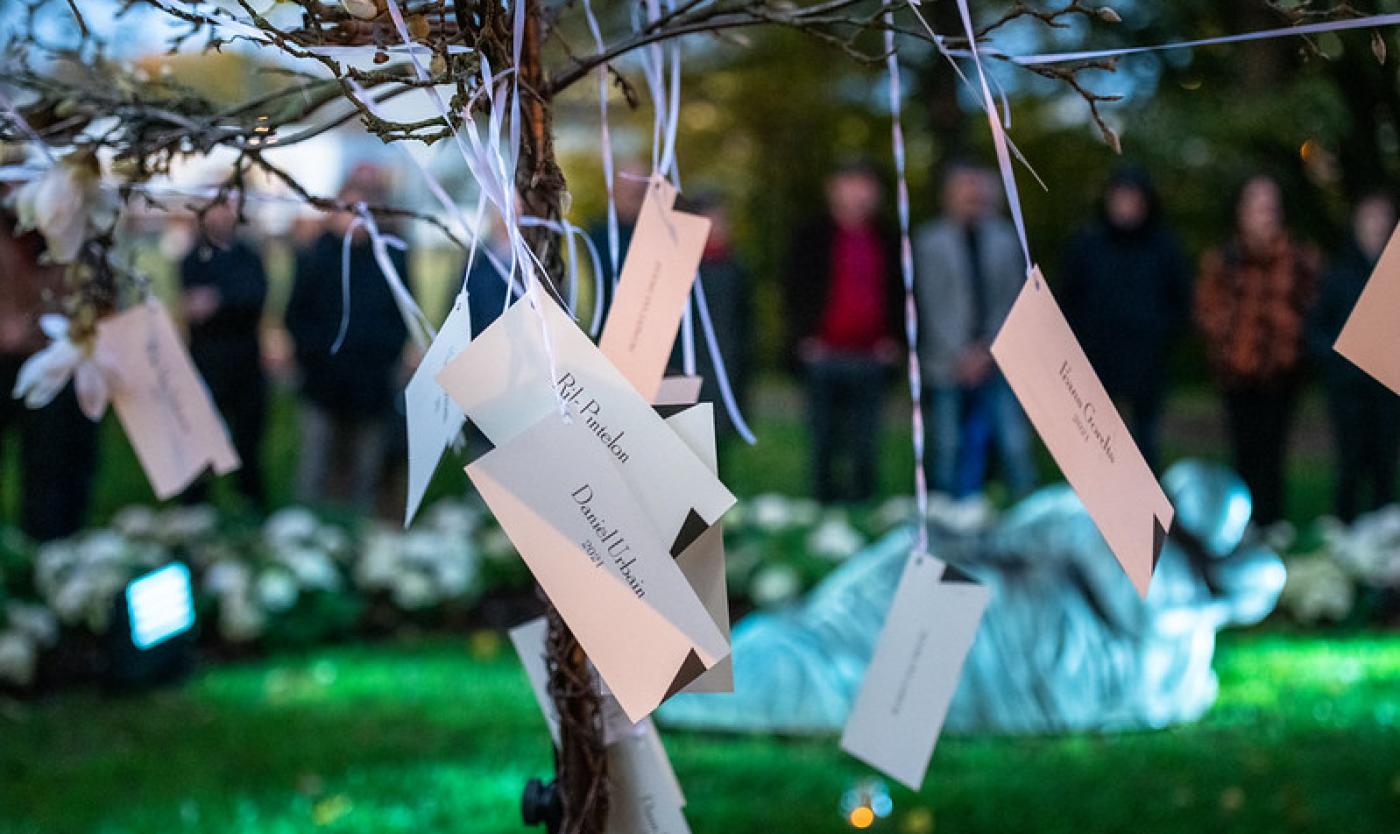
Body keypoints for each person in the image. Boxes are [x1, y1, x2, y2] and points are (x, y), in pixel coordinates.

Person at [285, 165, 411, 512]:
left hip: (371, 382)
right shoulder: (316, 253)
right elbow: (296, 314)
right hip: (322, 381)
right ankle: (308, 536)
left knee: (365, 469)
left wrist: (383, 356)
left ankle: (359, 537)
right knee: (316, 465)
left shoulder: (391, 255)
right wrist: (316, 358)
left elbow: (400, 317)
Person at [1196, 175, 1319, 527]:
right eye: (1256, 203)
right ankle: (1243, 522)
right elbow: (1206, 309)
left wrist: (1293, 344)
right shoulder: (1224, 259)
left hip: (1283, 371)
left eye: (1270, 204)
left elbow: (1313, 306)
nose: (1264, 212)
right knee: (1243, 450)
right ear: (1240, 210)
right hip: (1235, 372)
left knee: (1275, 449)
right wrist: (1227, 346)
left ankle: (1273, 519)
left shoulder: (1298, 257)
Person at [914, 163, 1035, 500]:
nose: (973, 197)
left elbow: (1013, 299)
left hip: (998, 357)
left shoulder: (1007, 240)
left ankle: (1023, 502)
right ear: (948, 196)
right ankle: (945, 507)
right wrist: (960, 353)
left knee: (1012, 438)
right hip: (946, 360)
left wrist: (988, 351)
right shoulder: (929, 242)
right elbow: (929, 301)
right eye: (964, 190)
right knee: (947, 440)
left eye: (979, 191)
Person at [1061, 168, 1191, 472]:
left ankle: (1145, 509)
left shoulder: (1164, 247)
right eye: (1119, 197)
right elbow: (1070, 297)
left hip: (1146, 361)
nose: (1125, 205)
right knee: (1095, 435)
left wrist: (1161, 335)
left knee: (1146, 438)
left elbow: (1180, 300)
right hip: (1097, 359)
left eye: (1133, 198)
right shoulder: (1087, 244)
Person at [786, 163, 901, 504]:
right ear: (833, 189)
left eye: (866, 185)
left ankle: (861, 502)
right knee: (824, 436)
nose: (860, 193)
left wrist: (895, 340)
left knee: (866, 438)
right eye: (851, 184)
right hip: (824, 355)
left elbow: (900, 292)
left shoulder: (888, 238)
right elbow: (793, 289)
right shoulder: (812, 235)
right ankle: (824, 502)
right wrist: (802, 339)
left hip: (872, 356)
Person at [0, 211, 99, 541]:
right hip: (13, 360)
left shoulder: (71, 236)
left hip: (60, 363)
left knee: (57, 464)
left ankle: (54, 543)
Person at [1308, 191, 1400, 521]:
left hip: (1388, 389)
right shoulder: (1338, 275)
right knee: (1350, 460)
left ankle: (1385, 528)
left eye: (1383, 217)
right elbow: (1317, 329)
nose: (1377, 225)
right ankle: (1345, 525)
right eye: (1370, 216)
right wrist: (1339, 359)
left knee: (1385, 460)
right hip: (1348, 389)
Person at [180, 195, 269, 508]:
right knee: (201, 446)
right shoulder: (193, 257)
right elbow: (192, 305)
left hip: (244, 366)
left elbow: (254, 297)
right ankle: (195, 514)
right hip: (207, 364)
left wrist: (218, 300)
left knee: (247, 447)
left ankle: (248, 509)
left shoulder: (249, 256)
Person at [667, 193, 752, 440]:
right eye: (711, 218)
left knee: (716, 448)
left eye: (722, 219)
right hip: (681, 374)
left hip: (724, 372)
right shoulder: (675, 269)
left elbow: (743, 325)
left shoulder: (736, 268)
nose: (718, 226)